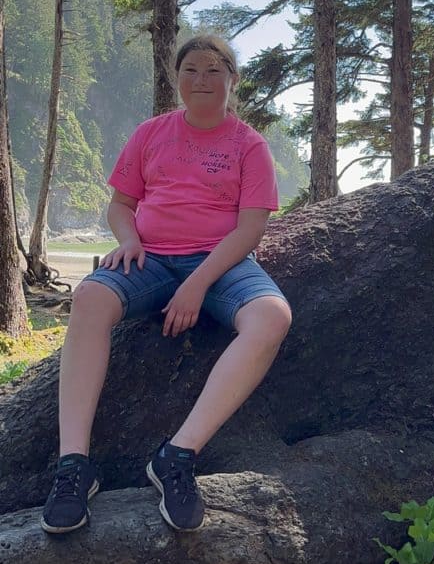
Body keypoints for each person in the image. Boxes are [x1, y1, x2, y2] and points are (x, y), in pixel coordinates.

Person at [41, 34, 292, 535]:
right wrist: (128, 238)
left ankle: (176, 457)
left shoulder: (249, 144)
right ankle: (73, 466)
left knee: (271, 317)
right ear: (177, 79)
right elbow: (119, 205)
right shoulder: (151, 133)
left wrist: (197, 285)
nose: (202, 80)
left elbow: (250, 228)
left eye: (214, 70)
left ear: (231, 80)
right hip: (148, 258)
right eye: (191, 70)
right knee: (89, 297)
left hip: (219, 263)